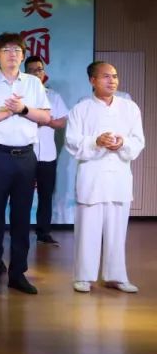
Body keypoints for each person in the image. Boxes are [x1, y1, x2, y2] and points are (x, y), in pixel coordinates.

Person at [0, 32, 51, 295]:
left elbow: (46, 118)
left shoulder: (33, 84)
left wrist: (23, 109)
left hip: (26, 156)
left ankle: (18, 274)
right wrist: (6, 112)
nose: (12, 54)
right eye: (6, 50)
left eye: (17, 50)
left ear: (23, 55)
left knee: (21, 218)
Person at [66, 62, 145, 294]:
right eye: (106, 77)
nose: (112, 81)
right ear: (92, 80)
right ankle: (83, 277)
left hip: (119, 175)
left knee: (117, 231)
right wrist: (96, 141)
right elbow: (71, 141)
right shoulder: (81, 109)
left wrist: (122, 143)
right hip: (92, 176)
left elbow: (138, 140)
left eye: (115, 76)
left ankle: (116, 277)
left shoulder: (130, 108)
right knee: (87, 230)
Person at [24, 55, 69, 245]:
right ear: (25, 73)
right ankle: (21, 231)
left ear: (44, 73)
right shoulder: (21, 97)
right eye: (32, 70)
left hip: (48, 154)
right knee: (23, 195)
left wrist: (44, 120)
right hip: (25, 153)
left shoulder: (53, 96)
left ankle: (43, 232)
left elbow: (61, 122)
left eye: (39, 69)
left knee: (45, 194)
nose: (36, 73)